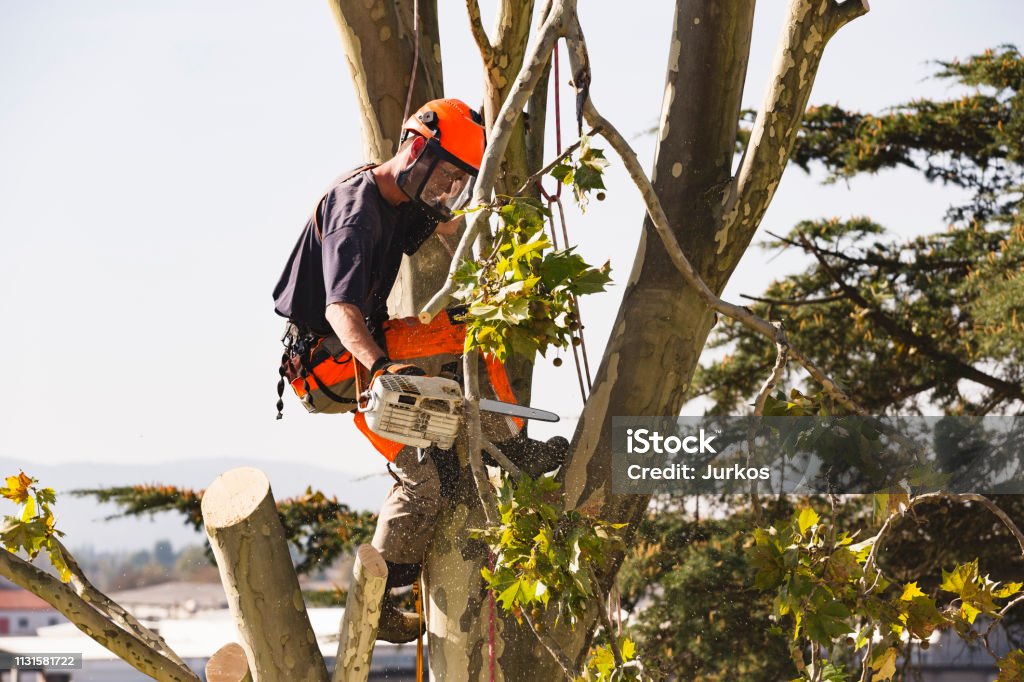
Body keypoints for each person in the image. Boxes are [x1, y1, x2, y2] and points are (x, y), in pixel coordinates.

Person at [272, 98, 566, 643]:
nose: (447, 189)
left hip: (360, 352)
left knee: (434, 462)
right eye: (447, 175)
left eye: (459, 180)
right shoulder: (356, 211)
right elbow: (340, 309)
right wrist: (384, 367)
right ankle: (509, 451)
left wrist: (508, 264)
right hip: (331, 361)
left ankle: (382, 597)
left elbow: (450, 226)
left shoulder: (403, 196)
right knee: (455, 357)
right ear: (415, 148)